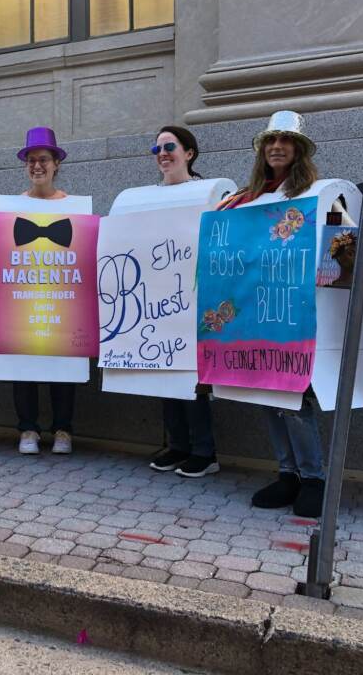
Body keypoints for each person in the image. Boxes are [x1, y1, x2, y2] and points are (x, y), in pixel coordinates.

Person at [217, 111, 328, 518]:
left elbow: (340, 243)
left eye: (285, 140)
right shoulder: (245, 199)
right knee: (266, 392)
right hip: (252, 307)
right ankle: (288, 474)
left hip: (293, 309)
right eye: (270, 141)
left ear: (298, 149)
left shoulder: (315, 192)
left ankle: (313, 477)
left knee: (294, 397)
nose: (276, 147)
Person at [0, 127, 77, 456]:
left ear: (56, 164)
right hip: (21, 300)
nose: (37, 166)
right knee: (23, 364)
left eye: (43, 160)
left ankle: (63, 429)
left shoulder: (75, 207)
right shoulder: (10, 207)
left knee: (64, 363)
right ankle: (28, 429)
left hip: (61, 300)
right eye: (31, 160)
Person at [141, 126, 219, 478]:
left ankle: (205, 451)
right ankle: (177, 445)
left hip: (197, 300)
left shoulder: (206, 193)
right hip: (158, 301)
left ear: (189, 153)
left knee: (194, 381)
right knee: (164, 374)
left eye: (169, 146)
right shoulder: (146, 197)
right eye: (156, 148)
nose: (162, 153)